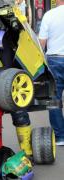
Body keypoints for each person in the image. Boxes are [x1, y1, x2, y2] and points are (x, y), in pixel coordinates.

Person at [39, 0, 64, 146]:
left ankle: (61, 136)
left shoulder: (49, 15)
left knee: (54, 99)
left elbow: (41, 42)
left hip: (54, 60)